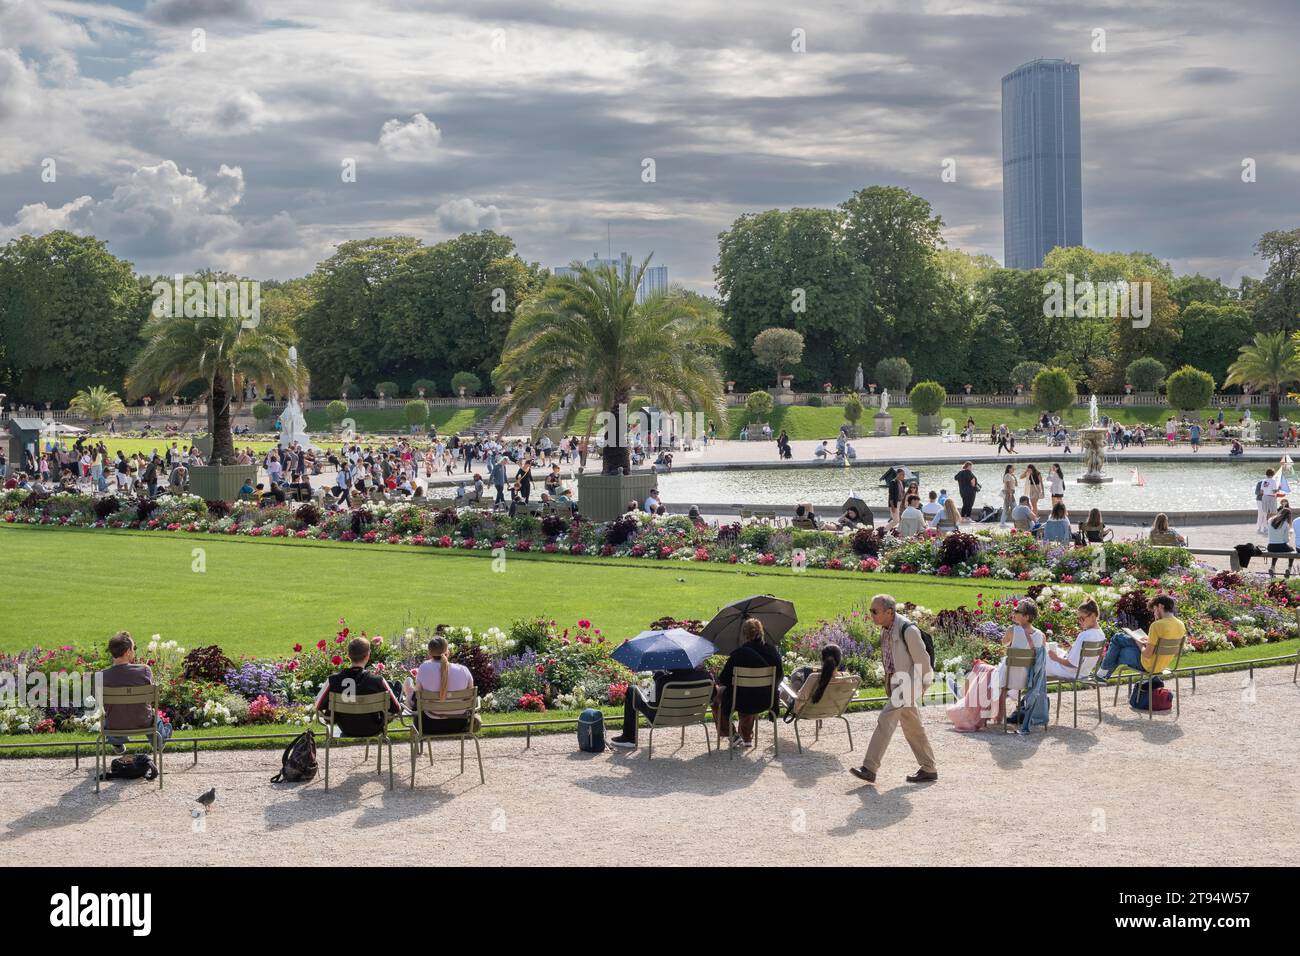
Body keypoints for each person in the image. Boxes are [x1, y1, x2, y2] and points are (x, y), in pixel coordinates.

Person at [852, 594, 936, 783]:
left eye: (874, 611)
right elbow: (890, 661)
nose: (871, 615)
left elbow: (923, 661)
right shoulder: (886, 629)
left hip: (910, 683)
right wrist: (889, 682)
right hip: (898, 682)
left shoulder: (908, 630)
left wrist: (922, 686)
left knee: (885, 718)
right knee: (913, 726)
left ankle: (869, 767)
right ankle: (929, 769)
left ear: (889, 612)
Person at [97, 631, 172, 755]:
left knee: (110, 717)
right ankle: (159, 741)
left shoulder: (102, 676)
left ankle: (117, 742)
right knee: (153, 717)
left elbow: (100, 702)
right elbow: (149, 699)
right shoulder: (144, 670)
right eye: (133, 648)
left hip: (115, 725)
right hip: (143, 722)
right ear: (127, 652)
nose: (134, 651)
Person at [714, 619, 783, 749]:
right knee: (751, 692)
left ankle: (731, 734)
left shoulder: (739, 654)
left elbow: (724, 679)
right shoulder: (772, 652)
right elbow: (779, 677)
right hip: (765, 700)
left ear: (744, 635)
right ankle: (746, 736)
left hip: (740, 700)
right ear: (762, 632)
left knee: (715, 696)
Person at [609, 663, 713, 748]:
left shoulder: (665, 681)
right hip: (691, 716)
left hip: (661, 718)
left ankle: (629, 738)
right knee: (645, 688)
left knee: (632, 689)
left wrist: (652, 685)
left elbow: (652, 704)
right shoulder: (707, 677)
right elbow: (713, 698)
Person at [314, 636, 402, 736]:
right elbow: (396, 708)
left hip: (345, 727)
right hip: (373, 728)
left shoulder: (333, 680)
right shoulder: (378, 681)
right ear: (368, 655)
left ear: (348, 655)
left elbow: (317, 705)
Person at [1093, 595, 1185, 686]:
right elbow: (1174, 651)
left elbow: (1147, 654)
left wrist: (1139, 643)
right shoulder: (1181, 625)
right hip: (1161, 666)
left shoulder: (1157, 625)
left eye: (1154, 610)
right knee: (1119, 640)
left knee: (1119, 646)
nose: (1154, 614)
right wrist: (1150, 641)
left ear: (1160, 606)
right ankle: (1102, 675)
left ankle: (1101, 675)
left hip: (1148, 665)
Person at [404, 635, 476, 734]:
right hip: (459, 724)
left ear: (429, 653)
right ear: (448, 651)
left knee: (412, 694)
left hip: (429, 724)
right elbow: (470, 697)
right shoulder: (463, 670)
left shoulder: (424, 668)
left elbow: (417, 696)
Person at [778, 643, 857, 717]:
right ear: (839, 661)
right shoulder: (847, 677)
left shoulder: (814, 678)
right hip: (834, 710)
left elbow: (800, 699)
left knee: (783, 689)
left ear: (822, 660)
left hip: (807, 712)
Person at [1266, 501, 1293, 574]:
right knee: (1292, 551)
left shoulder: (1270, 520)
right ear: (1288, 516)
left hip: (1270, 546)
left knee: (1275, 550)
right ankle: (1289, 568)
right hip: (1281, 546)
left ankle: (1272, 567)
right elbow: (1286, 540)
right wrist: (1290, 535)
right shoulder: (1285, 524)